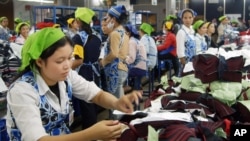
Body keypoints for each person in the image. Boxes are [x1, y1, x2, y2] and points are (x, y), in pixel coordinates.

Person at [6, 27, 141, 141]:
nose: (67, 65)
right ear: (39, 62)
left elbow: (96, 94)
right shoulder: (22, 91)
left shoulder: (66, 76)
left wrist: (116, 103)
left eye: (70, 58)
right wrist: (91, 134)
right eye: (60, 61)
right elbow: (39, 139)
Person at [71, 7, 102, 130]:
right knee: (95, 101)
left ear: (78, 21)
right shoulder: (97, 35)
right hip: (96, 72)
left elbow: (79, 60)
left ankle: (90, 133)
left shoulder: (78, 38)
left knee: (87, 105)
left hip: (85, 73)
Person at [100, 5, 129, 99]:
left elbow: (114, 54)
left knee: (115, 104)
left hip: (115, 70)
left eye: (108, 17)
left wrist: (103, 62)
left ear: (113, 19)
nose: (106, 20)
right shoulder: (124, 32)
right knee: (119, 99)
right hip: (122, 68)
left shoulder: (114, 33)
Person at [124, 24, 147, 93]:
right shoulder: (135, 40)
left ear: (129, 33)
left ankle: (125, 92)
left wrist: (123, 60)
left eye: (124, 32)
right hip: (141, 67)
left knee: (120, 73)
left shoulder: (131, 42)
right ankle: (136, 93)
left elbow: (131, 59)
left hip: (137, 68)